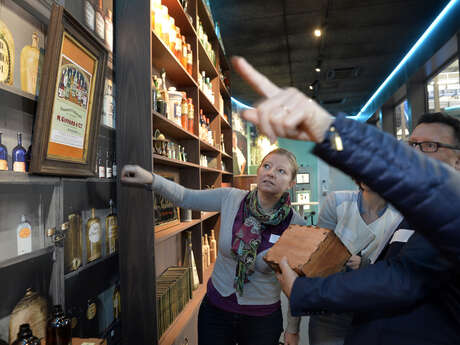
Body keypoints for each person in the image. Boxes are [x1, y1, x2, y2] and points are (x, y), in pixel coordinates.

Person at [231, 56, 460, 344]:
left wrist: (328, 130)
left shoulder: (438, 213)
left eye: (430, 146)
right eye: (412, 145)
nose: (416, 154)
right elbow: (400, 277)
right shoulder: (414, 219)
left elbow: (394, 279)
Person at [121, 148, 305, 345]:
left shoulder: (296, 226)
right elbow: (186, 197)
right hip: (216, 311)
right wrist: (151, 179)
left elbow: (296, 285)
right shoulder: (231, 198)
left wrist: (292, 330)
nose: (270, 172)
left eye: (281, 171)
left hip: (261, 320)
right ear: (259, 171)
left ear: (292, 183)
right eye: (266, 166)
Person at [310, 181, 402, 345]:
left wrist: (364, 264)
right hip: (330, 310)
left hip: (370, 311)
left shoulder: (399, 216)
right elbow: (316, 258)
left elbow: (396, 271)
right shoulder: (337, 201)